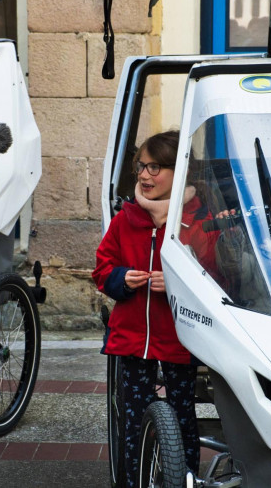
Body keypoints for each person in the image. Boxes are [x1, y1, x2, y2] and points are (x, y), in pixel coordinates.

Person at [93, 131, 214, 486]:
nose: (144, 176)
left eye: (155, 167)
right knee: (132, 420)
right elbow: (101, 270)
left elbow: (214, 275)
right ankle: (134, 479)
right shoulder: (125, 219)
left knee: (181, 416)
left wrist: (177, 283)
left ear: (182, 173)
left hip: (180, 340)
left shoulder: (197, 222)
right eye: (141, 166)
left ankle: (184, 477)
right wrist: (120, 278)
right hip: (131, 340)